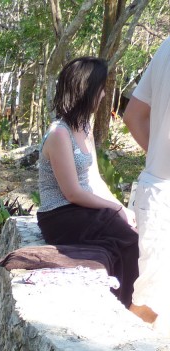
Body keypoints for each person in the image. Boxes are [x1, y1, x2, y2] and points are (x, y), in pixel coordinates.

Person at [37, 56, 139, 308]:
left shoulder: (84, 126)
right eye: (101, 88)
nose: (104, 95)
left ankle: (122, 300)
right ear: (86, 90)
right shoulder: (59, 134)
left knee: (130, 232)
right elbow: (72, 192)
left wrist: (121, 207)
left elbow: (94, 178)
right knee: (127, 240)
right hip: (59, 214)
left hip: (81, 209)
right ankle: (121, 306)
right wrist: (113, 210)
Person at [123, 36, 170, 326]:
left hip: (157, 191)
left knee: (147, 308)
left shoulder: (166, 45)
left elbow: (133, 116)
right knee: (149, 312)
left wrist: (157, 155)